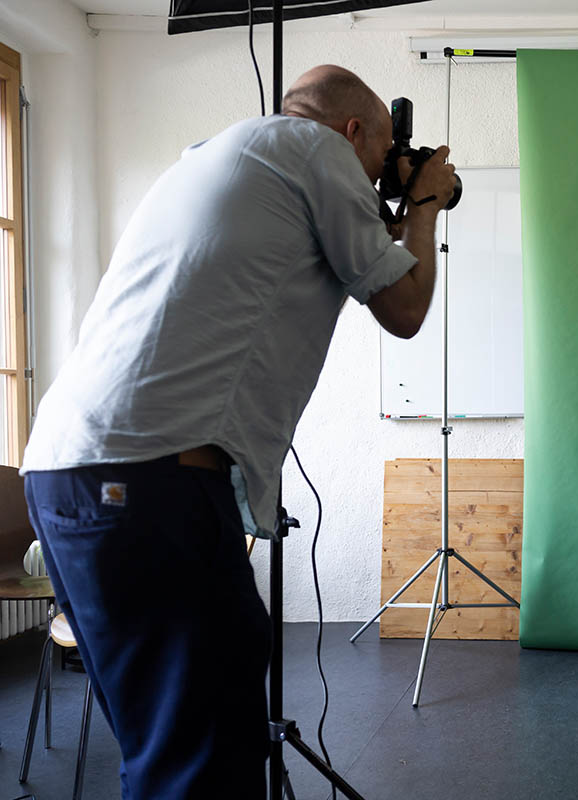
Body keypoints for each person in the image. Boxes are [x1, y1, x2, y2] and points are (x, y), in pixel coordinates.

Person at [19, 65, 457, 798]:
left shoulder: (220, 153)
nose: (386, 166)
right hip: (151, 481)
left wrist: (394, 208)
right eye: (384, 150)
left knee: (165, 744)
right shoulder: (317, 152)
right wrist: (426, 204)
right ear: (352, 132)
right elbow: (405, 308)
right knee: (203, 753)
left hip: (68, 474)